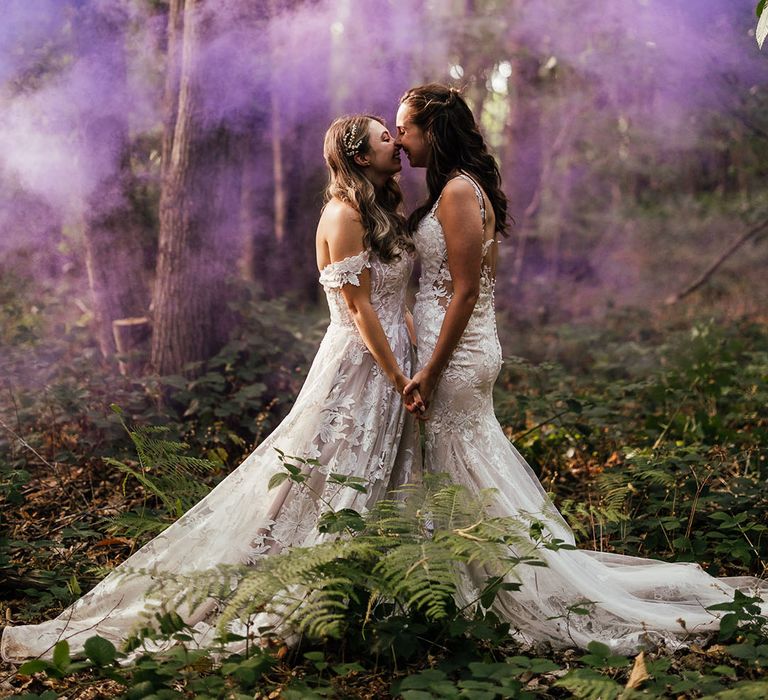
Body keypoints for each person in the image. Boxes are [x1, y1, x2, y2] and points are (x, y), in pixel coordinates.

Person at [1, 114, 422, 661]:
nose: (396, 141)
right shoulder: (342, 214)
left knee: (375, 467)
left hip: (399, 361)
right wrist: (396, 375)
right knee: (323, 467)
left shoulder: (385, 213)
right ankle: (302, 583)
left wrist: (420, 361)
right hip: (360, 365)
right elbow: (359, 306)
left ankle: (374, 588)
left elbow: (397, 302)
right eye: (385, 136)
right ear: (361, 156)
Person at [395, 83, 767, 652]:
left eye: (407, 128)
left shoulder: (458, 195)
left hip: (459, 353)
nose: (399, 139)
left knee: (459, 465)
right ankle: (463, 577)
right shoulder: (453, 191)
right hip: (455, 347)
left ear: (434, 132)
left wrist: (430, 369)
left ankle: (488, 588)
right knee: (462, 466)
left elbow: (467, 292)